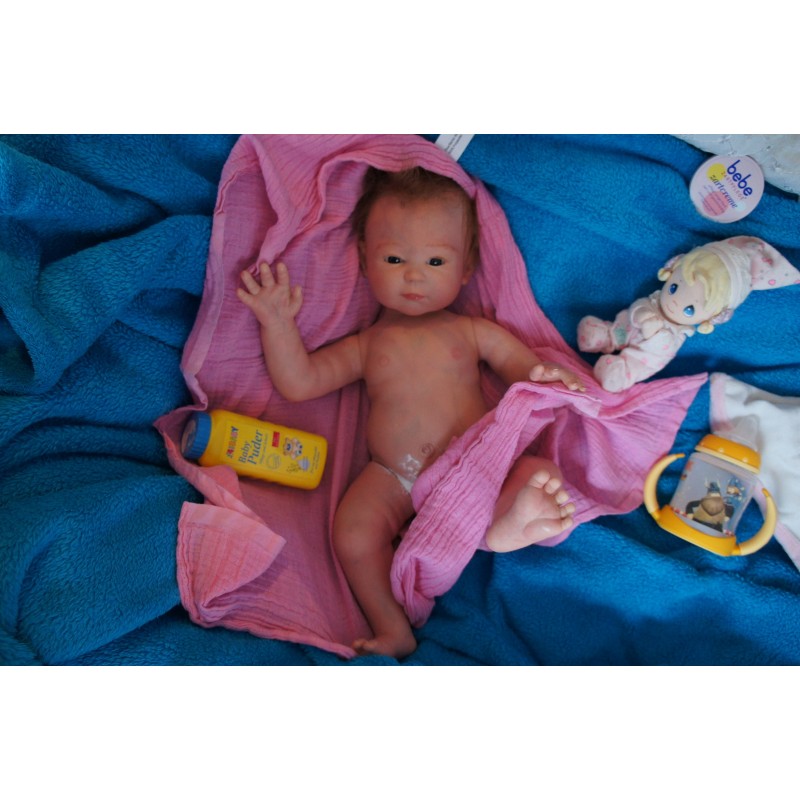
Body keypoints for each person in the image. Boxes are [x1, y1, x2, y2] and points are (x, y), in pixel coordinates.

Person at [237, 166, 585, 658]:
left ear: (466, 268)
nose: (414, 274)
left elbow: (520, 368)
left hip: (475, 466)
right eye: (395, 258)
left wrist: (544, 373)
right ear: (365, 260)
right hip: (393, 479)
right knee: (352, 533)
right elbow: (301, 382)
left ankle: (503, 525)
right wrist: (277, 324)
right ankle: (391, 624)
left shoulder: (470, 331)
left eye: (436, 260)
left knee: (539, 473)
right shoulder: (367, 345)